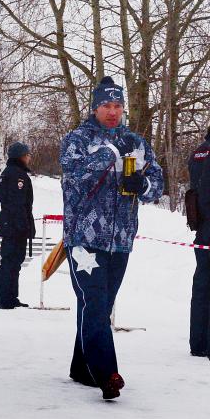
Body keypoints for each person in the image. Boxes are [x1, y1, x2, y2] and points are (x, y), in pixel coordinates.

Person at [60, 76, 163, 400]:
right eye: (106, 105)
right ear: (95, 107)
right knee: (94, 303)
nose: (113, 111)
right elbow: (73, 182)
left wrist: (141, 187)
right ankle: (107, 374)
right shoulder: (78, 140)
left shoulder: (136, 142)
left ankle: (82, 367)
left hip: (120, 240)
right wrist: (107, 154)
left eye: (118, 106)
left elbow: (158, 183)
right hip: (84, 238)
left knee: (98, 307)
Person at [0, 142, 36, 309]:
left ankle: (11, 296)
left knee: (13, 262)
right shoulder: (17, 176)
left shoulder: (9, 173)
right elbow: (18, 204)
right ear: (20, 156)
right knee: (10, 261)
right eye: (27, 155)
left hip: (11, 223)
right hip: (14, 225)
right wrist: (24, 225)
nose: (29, 158)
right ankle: (6, 298)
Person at [188, 127, 210, 359]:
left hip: (201, 227)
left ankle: (198, 342)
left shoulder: (198, 152)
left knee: (202, 284)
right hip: (207, 224)